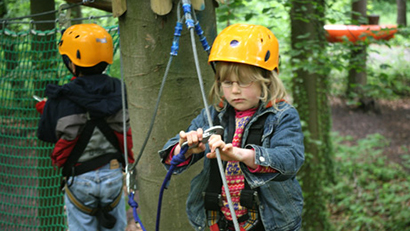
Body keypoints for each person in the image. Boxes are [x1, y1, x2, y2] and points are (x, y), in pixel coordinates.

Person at [158, 24, 305, 231]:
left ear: (267, 79)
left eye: (244, 82)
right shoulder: (213, 115)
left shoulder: (282, 116)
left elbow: (290, 160)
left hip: (269, 222)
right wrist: (186, 147)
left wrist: (242, 155)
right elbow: (170, 156)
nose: (235, 90)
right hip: (218, 221)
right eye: (227, 82)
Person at [36, 23, 135, 231]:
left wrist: (50, 110)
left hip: (79, 177)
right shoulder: (120, 89)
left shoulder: (60, 97)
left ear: (71, 63)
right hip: (114, 175)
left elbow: (46, 134)